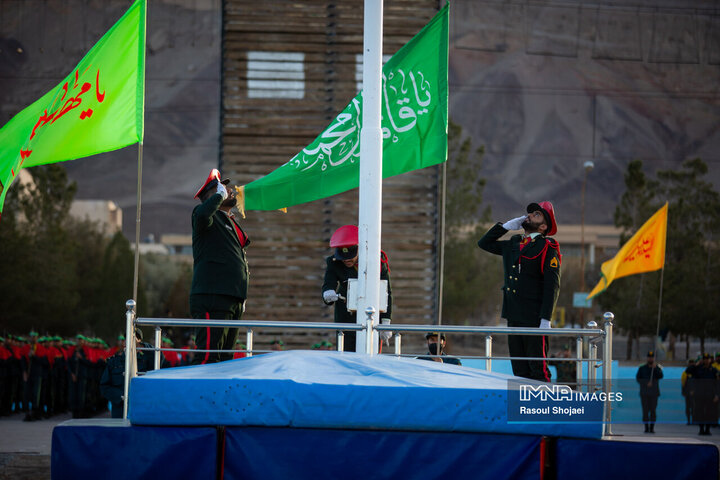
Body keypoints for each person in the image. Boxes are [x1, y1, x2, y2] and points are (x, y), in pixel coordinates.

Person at [478, 202, 561, 382]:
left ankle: (544, 408)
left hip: (534, 318)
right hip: (514, 315)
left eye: (536, 214)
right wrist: (506, 227)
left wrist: (546, 319)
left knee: (538, 369)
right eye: (529, 213)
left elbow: (551, 285)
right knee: (519, 369)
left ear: (544, 226)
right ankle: (524, 408)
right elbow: (484, 243)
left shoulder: (548, 247)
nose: (529, 215)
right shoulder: (515, 243)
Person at [189, 169, 250, 365]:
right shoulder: (204, 216)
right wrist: (218, 197)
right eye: (223, 188)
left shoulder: (228, 220)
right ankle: (201, 395)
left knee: (226, 359)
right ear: (212, 196)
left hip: (233, 297)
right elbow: (202, 215)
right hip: (212, 295)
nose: (229, 190)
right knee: (209, 355)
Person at [322, 225, 392, 353]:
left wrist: (386, 321)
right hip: (345, 317)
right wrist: (328, 294)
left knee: (371, 353)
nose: (346, 261)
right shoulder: (334, 263)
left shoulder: (377, 261)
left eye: (350, 257)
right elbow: (329, 284)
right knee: (346, 355)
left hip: (372, 315)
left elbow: (386, 292)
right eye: (343, 258)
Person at [100, 329, 153, 418]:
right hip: (119, 410)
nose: (130, 341)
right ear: (124, 342)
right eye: (127, 338)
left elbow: (159, 357)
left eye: (134, 338)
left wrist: (142, 345)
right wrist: (121, 396)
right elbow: (104, 386)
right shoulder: (114, 362)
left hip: (140, 407)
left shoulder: (146, 361)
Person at [688, 353, 719, 436]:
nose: (706, 360)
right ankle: (701, 429)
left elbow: (717, 384)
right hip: (700, 395)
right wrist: (696, 364)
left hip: (710, 395)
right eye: (704, 359)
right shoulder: (698, 369)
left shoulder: (714, 370)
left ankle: (707, 429)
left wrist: (717, 395)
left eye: (707, 359)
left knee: (709, 413)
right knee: (700, 412)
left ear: (710, 360)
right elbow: (688, 371)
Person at [636, 350, 663, 433]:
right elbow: (638, 378)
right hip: (645, 393)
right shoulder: (642, 368)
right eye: (649, 357)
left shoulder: (657, 368)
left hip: (654, 393)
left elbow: (660, 376)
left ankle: (652, 427)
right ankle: (646, 427)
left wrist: (655, 369)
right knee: (645, 411)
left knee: (653, 411)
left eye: (652, 357)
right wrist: (646, 383)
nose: (650, 359)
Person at [681, 358, 696, 425]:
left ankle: (693, 420)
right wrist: (684, 392)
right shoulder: (685, 373)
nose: (691, 364)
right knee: (688, 407)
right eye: (690, 362)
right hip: (687, 393)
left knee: (693, 407)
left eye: (692, 362)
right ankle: (688, 420)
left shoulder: (696, 372)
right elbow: (683, 383)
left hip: (694, 393)